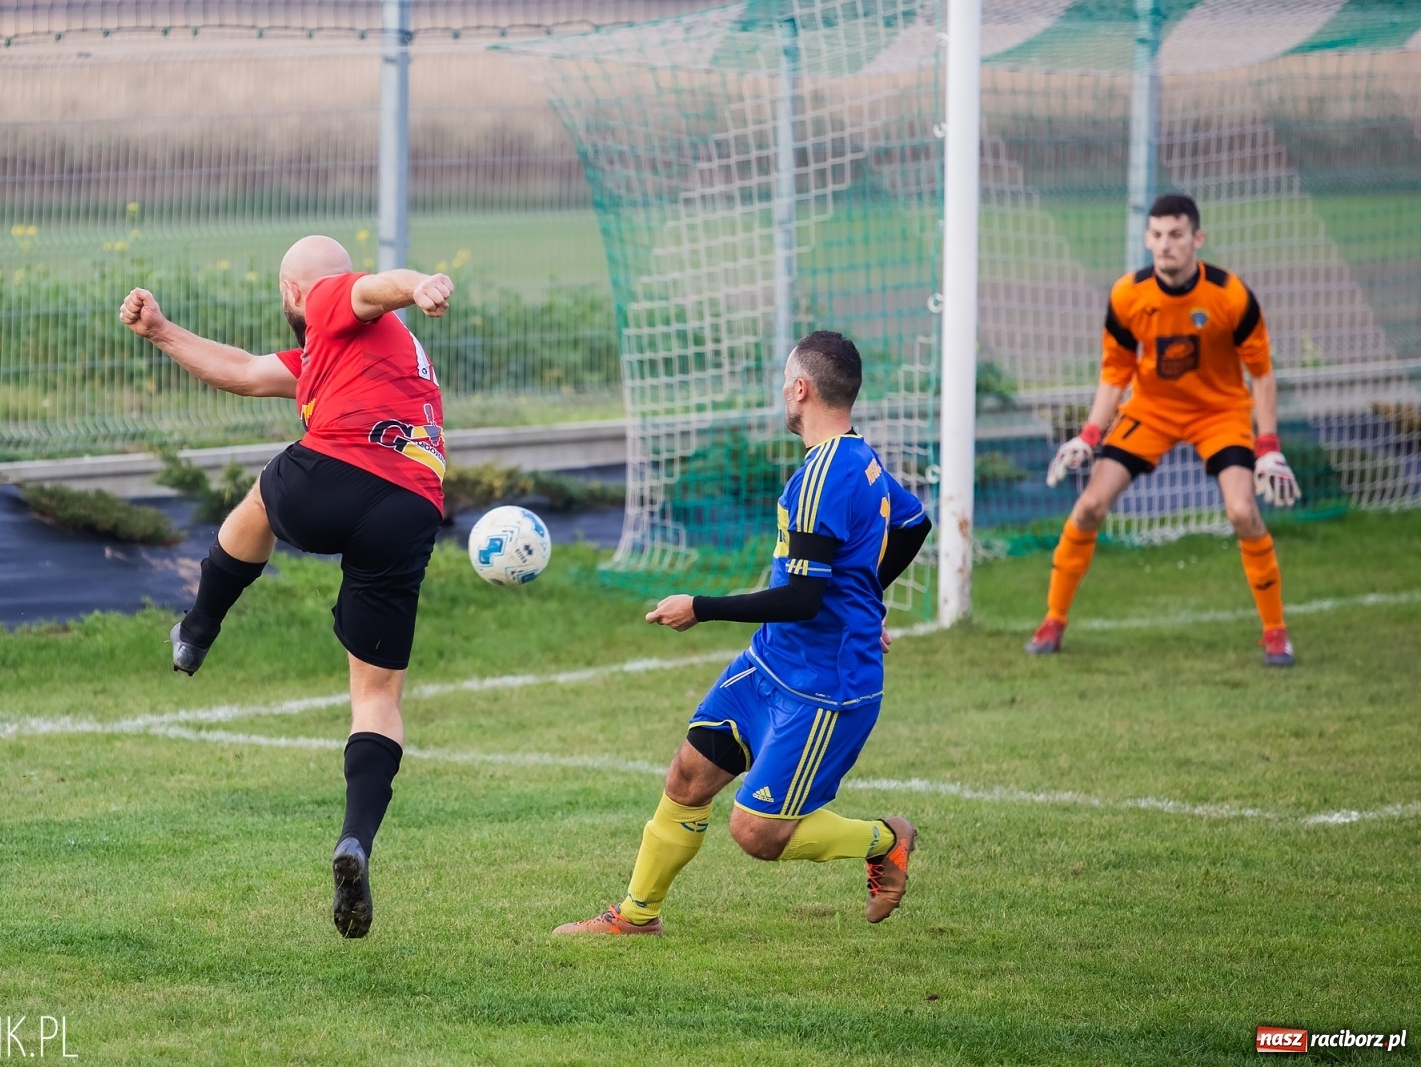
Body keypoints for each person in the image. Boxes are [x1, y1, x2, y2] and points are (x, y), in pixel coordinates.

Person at [118, 235, 454, 938]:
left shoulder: (332, 298)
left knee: (261, 502)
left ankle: (199, 627)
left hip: (340, 473)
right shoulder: (349, 358)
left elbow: (374, 287)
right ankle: (356, 837)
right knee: (377, 694)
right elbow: (242, 369)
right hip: (412, 507)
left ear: (294, 292)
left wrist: (417, 282)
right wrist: (162, 331)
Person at [554, 330, 934, 936]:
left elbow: (804, 598)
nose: (782, 393)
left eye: (785, 382)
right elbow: (914, 523)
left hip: (825, 687)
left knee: (757, 832)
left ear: (800, 389)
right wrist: (869, 599)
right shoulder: (859, 458)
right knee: (688, 773)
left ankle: (885, 841)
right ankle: (635, 917)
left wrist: (698, 607)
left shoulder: (822, 478)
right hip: (771, 663)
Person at [1027, 194, 1301, 667]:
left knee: (1242, 512)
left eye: (1176, 234)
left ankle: (1276, 632)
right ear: (1146, 238)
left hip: (1219, 412)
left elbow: (1261, 374)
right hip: (1151, 410)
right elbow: (1115, 373)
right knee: (1089, 505)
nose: (1165, 245)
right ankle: (1052, 620)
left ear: (1197, 239)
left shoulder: (1230, 294)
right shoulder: (1128, 295)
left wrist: (1269, 446)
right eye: (1156, 235)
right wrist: (1090, 434)